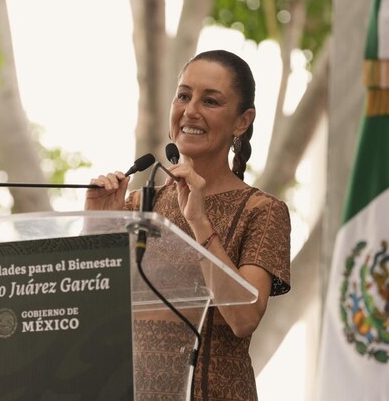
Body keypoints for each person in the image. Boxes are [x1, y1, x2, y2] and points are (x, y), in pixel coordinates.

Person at [85, 49, 291, 401]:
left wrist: (198, 220)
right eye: (183, 95)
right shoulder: (138, 205)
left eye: (210, 101)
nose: (190, 110)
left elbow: (243, 318)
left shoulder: (262, 210)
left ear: (242, 121)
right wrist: (98, 226)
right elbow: (91, 317)